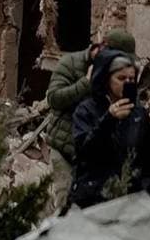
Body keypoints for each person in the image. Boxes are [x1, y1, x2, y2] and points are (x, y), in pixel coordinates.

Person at [45, 28, 135, 210]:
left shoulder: (118, 76)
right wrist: (85, 84)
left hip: (95, 154)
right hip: (65, 150)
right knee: (66, 205)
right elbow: (54, 99)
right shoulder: (71, 63)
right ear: (103, 49)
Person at [68, 48, 150, 207]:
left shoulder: (138, 114)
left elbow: (148, 160)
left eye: (131, 79)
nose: (127, 83)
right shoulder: (86, 110)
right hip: (95, 199)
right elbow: (84, 152)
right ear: (106, 79)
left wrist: (147, 193)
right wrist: (109, 120)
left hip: (131, 201)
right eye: (121, 78)